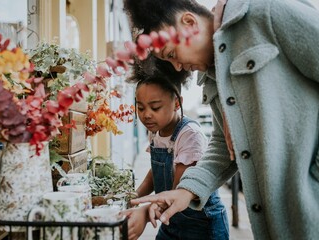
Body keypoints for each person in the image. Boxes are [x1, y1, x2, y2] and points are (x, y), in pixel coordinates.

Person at [124, 0, 319, 239]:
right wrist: (186, 190)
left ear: (188, 22)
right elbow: (223, 147)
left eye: (172, 54)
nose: (176, 66)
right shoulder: (211, 77)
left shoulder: (266, 13)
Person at [123, 57, 229, 240]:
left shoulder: (189, 135)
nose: (146, 115)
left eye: (155, 107)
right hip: (170, 221)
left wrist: (145, 213)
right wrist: (132, 199)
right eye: (140, 108)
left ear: (177, 103)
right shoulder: (155, 131)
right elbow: (155, 173)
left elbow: (178, 191)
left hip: (201, 226)